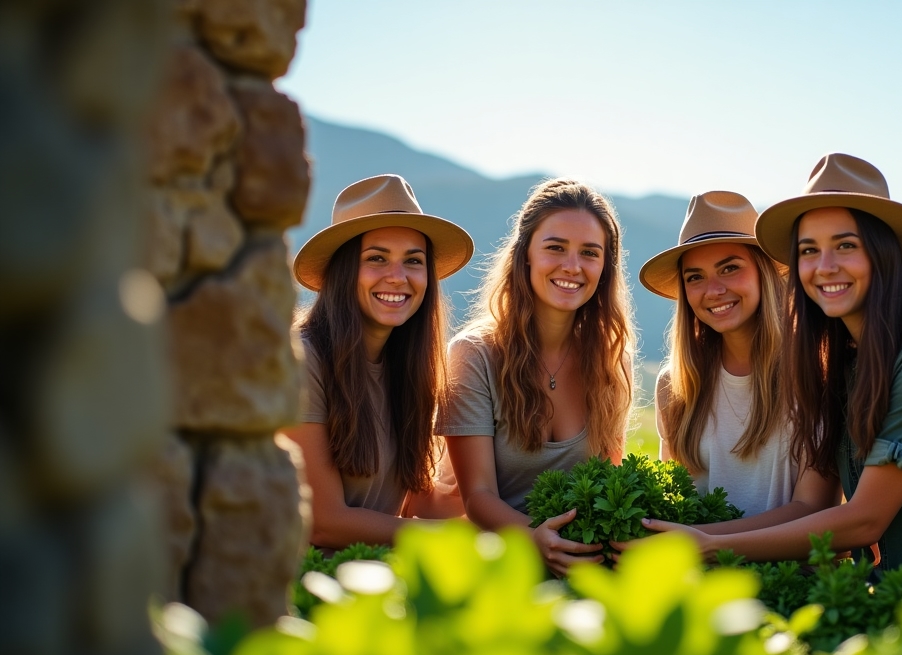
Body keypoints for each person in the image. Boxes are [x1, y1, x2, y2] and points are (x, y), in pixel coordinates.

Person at [640, 154, 902, 577]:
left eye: (845, 245)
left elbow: (864, 520)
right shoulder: (844, 364)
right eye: (809, 250)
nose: (825, 267)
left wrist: (713, 546)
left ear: (883, 253)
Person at [437, 178, 635, 575]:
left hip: (572, 560)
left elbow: (606, 481)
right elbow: (477, 498)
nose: (572, 266)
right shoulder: (474, 354)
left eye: (590, 253)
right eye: (555, 248)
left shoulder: (613, 362)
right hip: (491, 556)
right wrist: (534, 540)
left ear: (605, 268)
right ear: (525, 254)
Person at [283, 174, 473, 549]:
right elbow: (323, 522)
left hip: (372, 582)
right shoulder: (302, 361)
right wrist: (462, 537)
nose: (397, 276)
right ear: (343, 271)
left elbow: (414, 500)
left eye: (413, 261)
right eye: (377, 258)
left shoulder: (408, 370)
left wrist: (509, 513)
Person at [638, 190, 840, 527]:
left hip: (793, 576)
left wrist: (705, 542)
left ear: (764, 272)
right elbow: (677, 503)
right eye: (695, 277)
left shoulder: (817, 375)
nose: (713, 290)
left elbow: (813, 509)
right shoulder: (675, 385)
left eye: (729, 268)